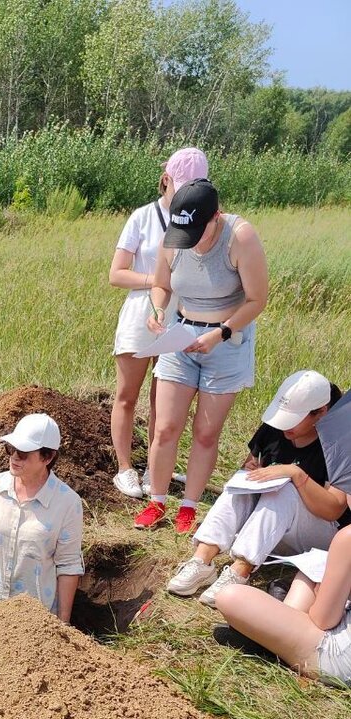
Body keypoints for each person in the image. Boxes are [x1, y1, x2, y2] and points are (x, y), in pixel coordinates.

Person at [136, 179, 268, 534]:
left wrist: (220, 333)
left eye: (198, 231)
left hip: (226, 340)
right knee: (165, 427)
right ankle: (157, 501)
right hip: (180, 337)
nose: (190, 240)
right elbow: (162, 286)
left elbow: (257, 299)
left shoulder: (240, 237)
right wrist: (159, 310)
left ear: (216, 217)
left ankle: (189, 506)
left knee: (206, 432)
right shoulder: (175, 236)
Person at [167, 371, 349, 605]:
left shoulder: (340, 442)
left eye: (294, 419)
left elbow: (334, 509)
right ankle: (202, 559)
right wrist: (252, 469)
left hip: (319, 535)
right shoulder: (274, 428)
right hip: (270, 529)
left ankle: (240, 571)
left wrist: (296, 475)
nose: (285, 426)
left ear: (320, 413)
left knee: (285, 489)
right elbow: (252, 463)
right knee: (244, 481)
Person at [109, 146, 208, 499]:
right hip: (142, 313)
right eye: (180, 186)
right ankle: (124, 468)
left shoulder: (204, 218)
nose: (185, 194)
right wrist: (159, 281)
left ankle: (155, 468)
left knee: (162, 401)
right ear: (165, 180)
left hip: (182, 319)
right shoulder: (142, 217)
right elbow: (116, 274)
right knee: (127, 396)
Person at [0, 414, 83, 621]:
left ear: (47, 457)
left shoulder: (68, 503)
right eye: (11, 449)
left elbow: (68, 566)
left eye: (24, 453)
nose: (14, 457)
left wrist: (63, 623)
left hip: (37, 621)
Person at [215, 525, 351, 686]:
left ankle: (272, 645)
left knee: (230, 596)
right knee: (311, 572)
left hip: (337, 659)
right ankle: (273, 637)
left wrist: (321, 594)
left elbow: (323, 620)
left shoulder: (347, 537)